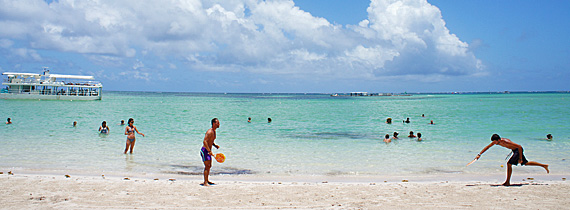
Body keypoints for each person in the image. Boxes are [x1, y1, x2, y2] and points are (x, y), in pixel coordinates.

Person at [474, 134, 549, 186]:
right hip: (514, 151)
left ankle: (507, 182)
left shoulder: (505, 141)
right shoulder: (496, 142)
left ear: (498, 140)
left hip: (518, 150)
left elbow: (519, 147)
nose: (494, 143)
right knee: (525, 163)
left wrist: (519, 157)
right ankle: (544, 165)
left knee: (509, 164)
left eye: (495, 142)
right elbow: (487, 147)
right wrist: (479, 154)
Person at [201, 118, 220, 186]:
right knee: (207, 166)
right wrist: (209, 151)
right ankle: (205, 182)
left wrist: (215, 145)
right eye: (218, 123)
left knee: (209, 166)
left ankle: (207, 180)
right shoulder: (209, 132)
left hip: (208, 151)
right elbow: (205, 141)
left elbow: (210, 141)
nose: (219, 124)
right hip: (205, 151)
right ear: (214, 124)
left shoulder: (214, 131)